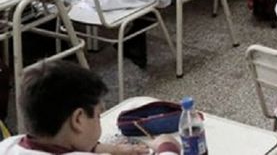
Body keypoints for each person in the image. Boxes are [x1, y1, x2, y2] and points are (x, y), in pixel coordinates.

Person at [0, 60, 180, 154]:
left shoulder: (8, 145)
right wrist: (167, 146)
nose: (99, 121)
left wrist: (108, 149)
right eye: (98, 116)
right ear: (78, 119)